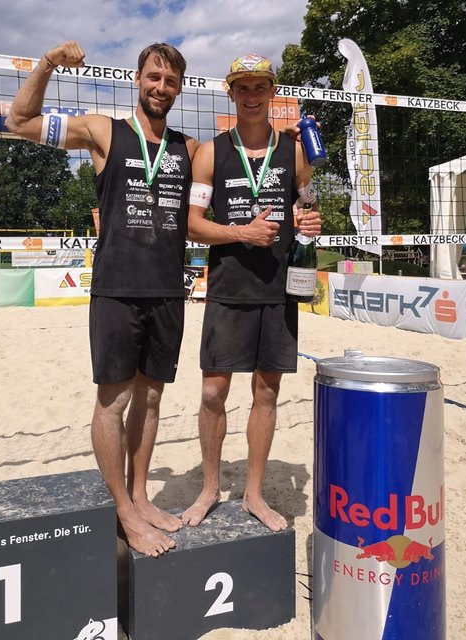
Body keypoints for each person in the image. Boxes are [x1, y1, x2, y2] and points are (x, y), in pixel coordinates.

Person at [6, 40, 200, 557]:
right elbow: (19, 120)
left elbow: (239, 183)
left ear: (180, 88)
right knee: (112, 400)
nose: (161, 87)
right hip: (116, 287)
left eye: (171, 81)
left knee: (152, 398)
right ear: (138, 78)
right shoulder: (102, 131)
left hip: (167, 291)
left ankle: (139, 495)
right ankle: (123, 510)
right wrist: (46, 64)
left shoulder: (190, 147)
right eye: (154, 76)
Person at [182, 54, 321, 531]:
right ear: (231, 93)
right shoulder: (210, 152)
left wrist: (311, 222)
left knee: (266, 393)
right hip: (228, 289)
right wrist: (243, 233)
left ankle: (255, 495)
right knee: (213, 392)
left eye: (260, 87)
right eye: (243, 88)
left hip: (279, 290)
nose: (252, 95)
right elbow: (193, 226)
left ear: (272, 92)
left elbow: (307, 203)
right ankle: (209, 488)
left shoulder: (295, 152)